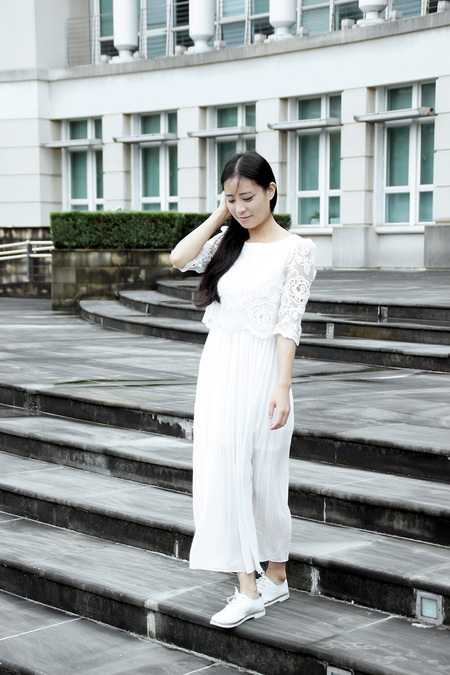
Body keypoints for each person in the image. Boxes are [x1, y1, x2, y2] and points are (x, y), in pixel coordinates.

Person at [170, 151, 316, 629]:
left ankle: (276, 575)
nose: (240, 207)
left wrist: (283, 385)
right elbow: (179, 258)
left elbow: (289, 323)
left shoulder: (297, 250)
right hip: (221, 367)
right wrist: (220, 216)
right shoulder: (226, 244)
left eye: (248, 197)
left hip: (264, 371)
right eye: (231, 198)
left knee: (267, 476)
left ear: (271, 190)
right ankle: (248, 588)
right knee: (225, 470)